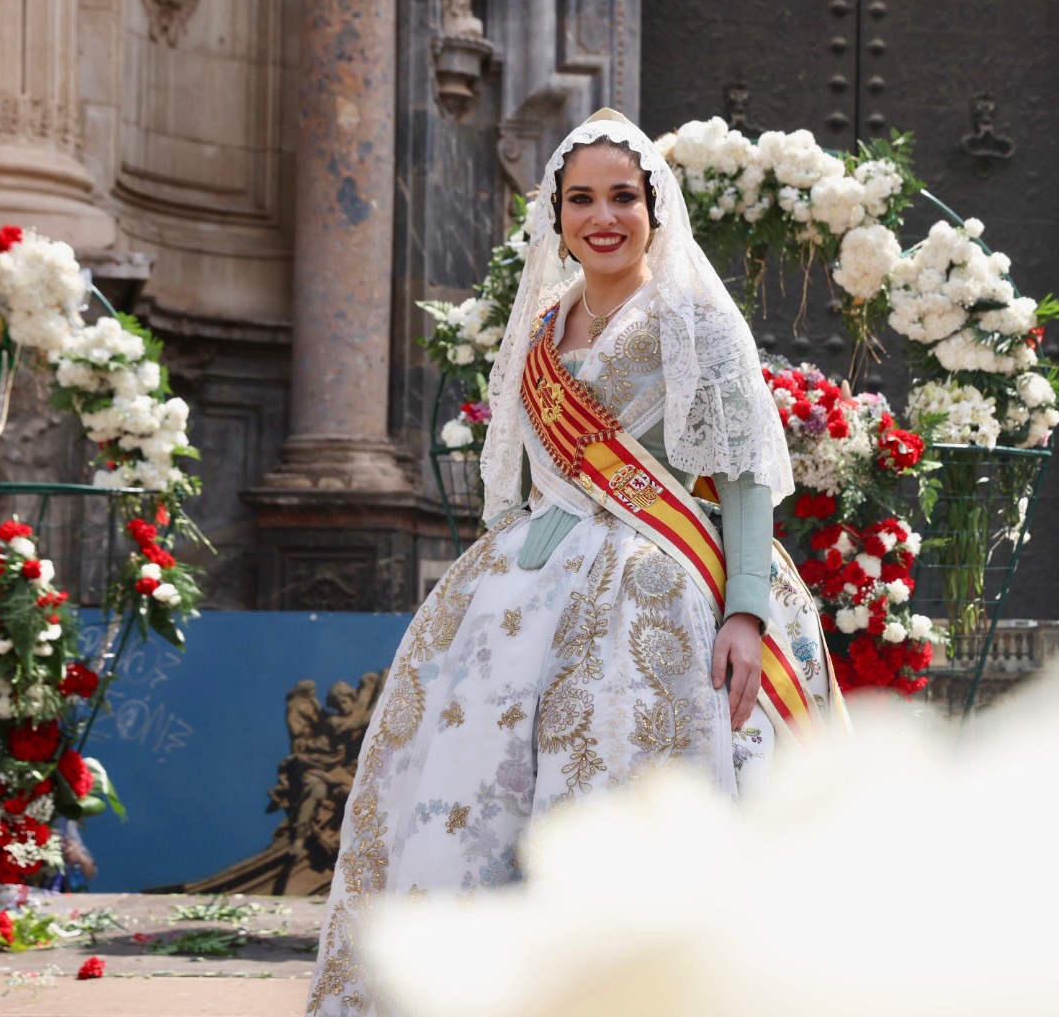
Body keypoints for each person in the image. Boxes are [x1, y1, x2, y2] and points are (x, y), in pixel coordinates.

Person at [305, 110, 844, 1015]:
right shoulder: (542, 324)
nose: (604, 217)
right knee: (476, 795)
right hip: (526, 586)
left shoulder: (698, 321)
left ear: (654, 209)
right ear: (556, 216)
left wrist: (746, 612)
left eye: (623, 197)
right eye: (583, 199)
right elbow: (526, 477)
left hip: (661, 585)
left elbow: (746, 475)